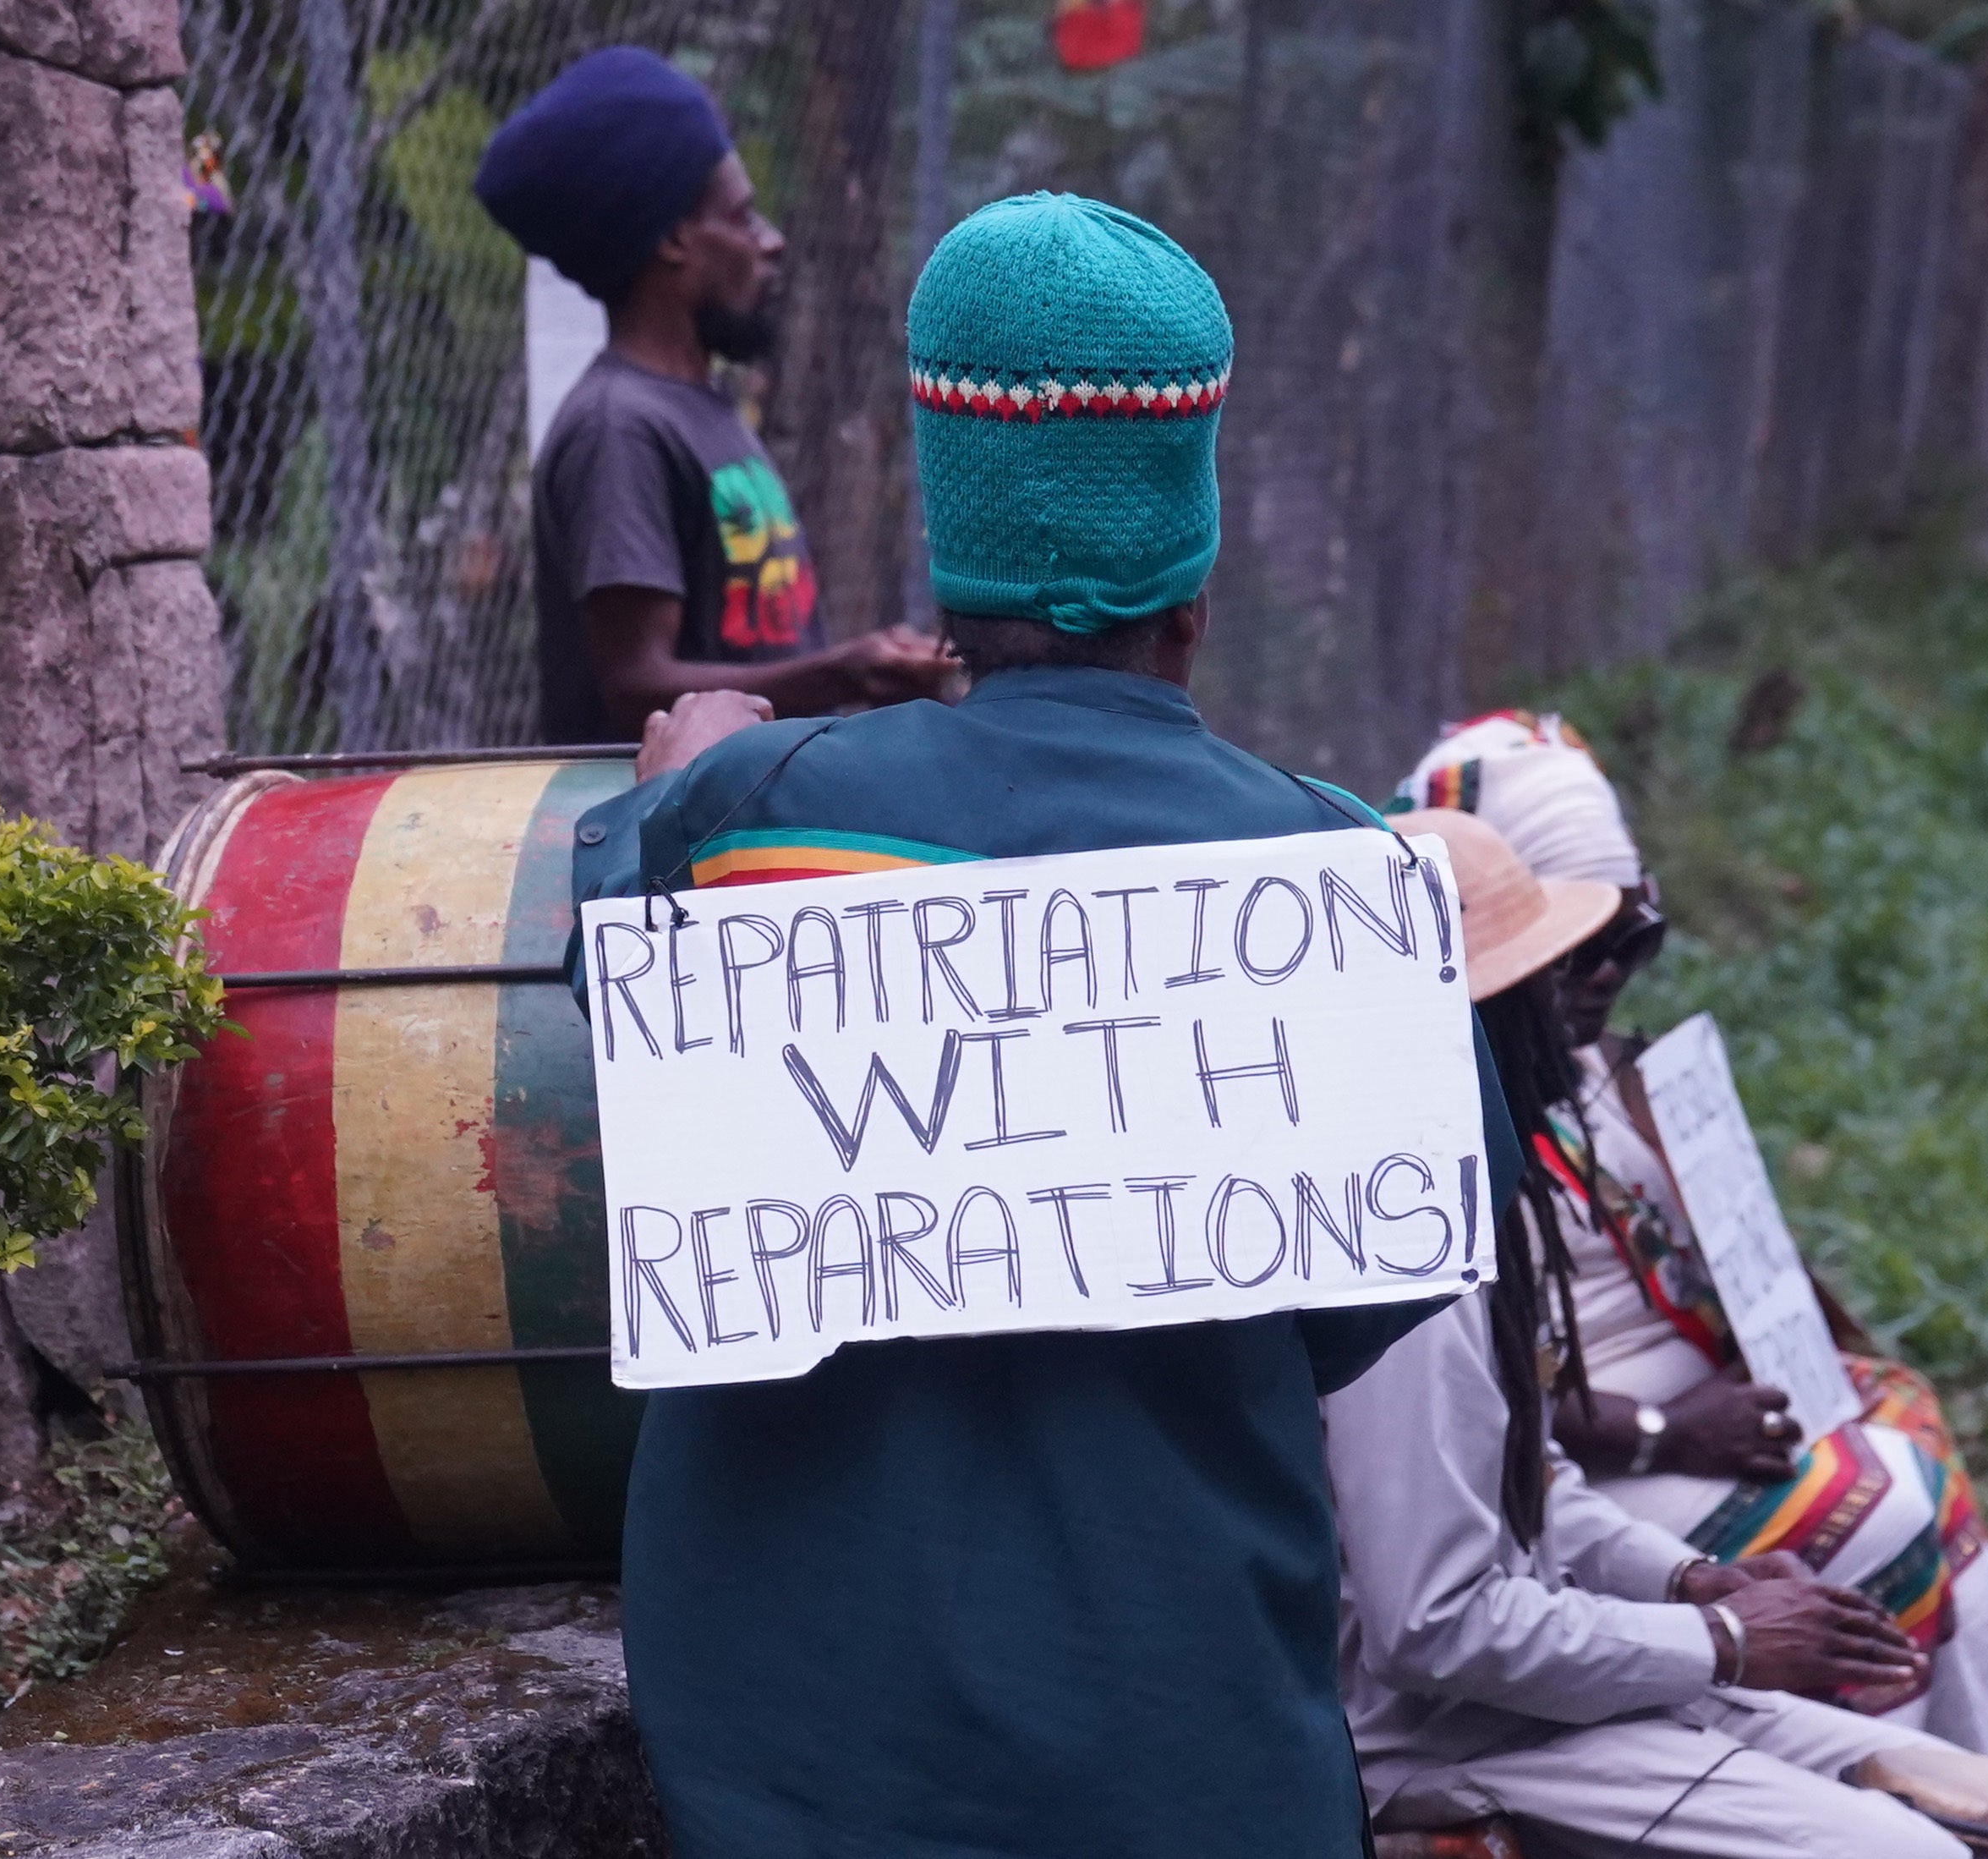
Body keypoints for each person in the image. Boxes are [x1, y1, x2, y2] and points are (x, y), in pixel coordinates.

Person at [561, 194, 1508, 1859]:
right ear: (1195, 586)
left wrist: (674, 788)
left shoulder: (743, 827)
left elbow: (619, 1102)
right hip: (1200, 1768)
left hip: (796, 1781)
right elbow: (1385, 1269)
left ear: (949, 561)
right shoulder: (1339, 893)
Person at [1328, 809, 1988, 1859]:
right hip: (1453, 1743)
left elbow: (1537, 1486)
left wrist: (1687, 1582)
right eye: (1541, 987)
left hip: (1551, 1700)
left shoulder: (1474, 1198)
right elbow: (1436, 1626)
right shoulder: (1408, 1270)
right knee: (1920, 1851)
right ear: (1466, 1028)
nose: (1577, 1010)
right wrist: (1722, 1639)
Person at [474, 45, 949, 741]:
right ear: (673, 240)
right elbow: (635, 689)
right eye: (744, 217)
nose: (772, 241)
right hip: (666, 841)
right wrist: (847, 673)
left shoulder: (696, 408)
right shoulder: (621, 428)